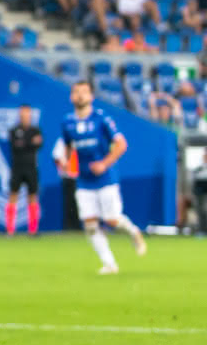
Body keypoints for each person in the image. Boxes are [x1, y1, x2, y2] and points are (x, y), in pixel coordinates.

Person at [60, 80, 147, 274]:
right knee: (90, 224)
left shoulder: (101, 119)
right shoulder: (67, 122)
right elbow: (67, 146)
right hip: (84, 181)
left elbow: (121, 144)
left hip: (106, 179)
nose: (80, 95)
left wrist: (104, 164)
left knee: (112, 220)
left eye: (84, 92)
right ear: (71, 96)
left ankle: (134, 232)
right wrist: (66, 162)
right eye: (76, 91)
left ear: (91, 96)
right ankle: (109, 264)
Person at [5, 105, 43, 236]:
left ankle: (33, 229)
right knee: (13, 195)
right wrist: (30, 142)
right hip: (17, 168)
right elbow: (15, 146)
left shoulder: (35, 130)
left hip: (31, 168)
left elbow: (39, 144)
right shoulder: (14, 130)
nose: (25, 116)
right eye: (23, 114)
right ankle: (10, 230)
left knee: (32, 196)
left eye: (27, 114)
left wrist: (25, 143)